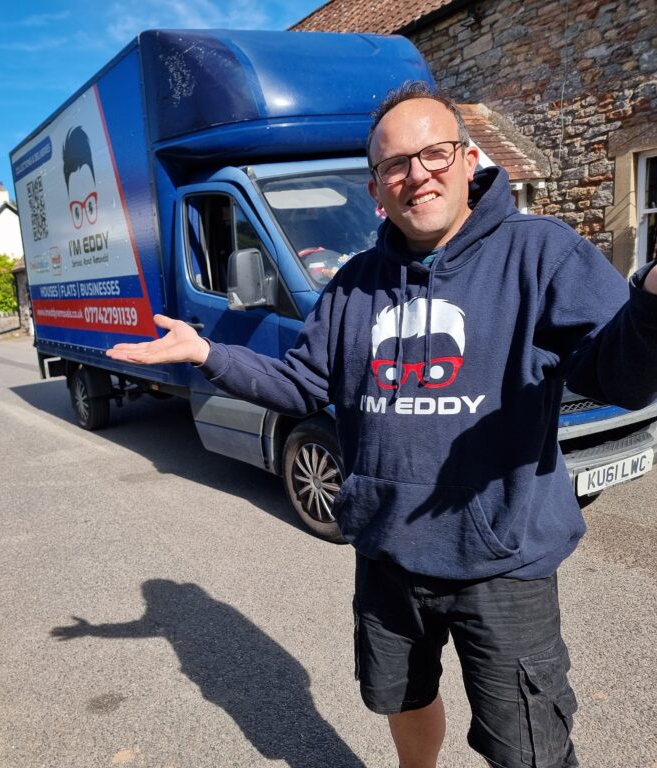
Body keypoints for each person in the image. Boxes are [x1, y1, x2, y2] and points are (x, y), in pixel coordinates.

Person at [106, 81, 657, 768]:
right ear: (376, 187)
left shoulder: (540, 253)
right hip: (388, 549)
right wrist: (207, 352)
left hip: (501, 561)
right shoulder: (353, 284)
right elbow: (301, 383)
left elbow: (622, 377)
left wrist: (653, 300)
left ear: (467, 160)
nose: (416, 174)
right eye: (395, 164)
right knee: (400, 696)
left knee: (529, 743)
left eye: (433, 153)